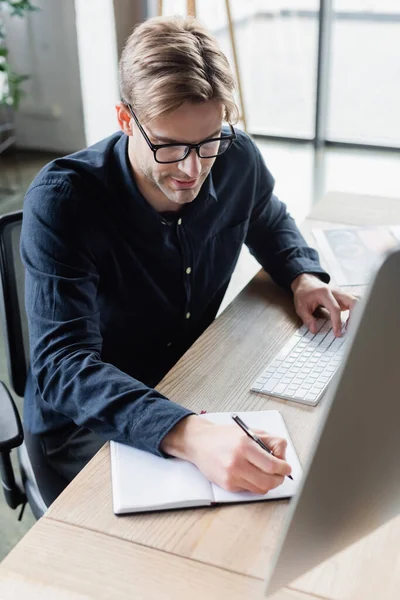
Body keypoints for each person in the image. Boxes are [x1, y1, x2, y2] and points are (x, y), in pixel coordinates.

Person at [21, 15, 356, 502]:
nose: (191, 170)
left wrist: (302, 275)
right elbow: (62, 365)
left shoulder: (235, 155)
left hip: (189, 382)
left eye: (208, 142)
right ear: (124, 120)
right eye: (169, 145)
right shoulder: (64, 200)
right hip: (84, 426)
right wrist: (189, 432)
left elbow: (265, 214)